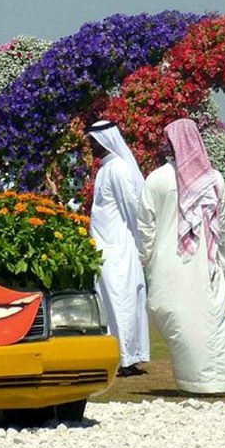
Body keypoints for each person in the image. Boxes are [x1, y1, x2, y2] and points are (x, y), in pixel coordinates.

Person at [138, 118, 225, 395]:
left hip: (174, 264)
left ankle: (213, 382)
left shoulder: (157, 179)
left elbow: (145, 227)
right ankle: (206, 380)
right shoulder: (214, 180)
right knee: (200, 319)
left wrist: (144, 256)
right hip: (198, 264)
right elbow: (224, 228)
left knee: (195, 319)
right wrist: (224, 259)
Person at [87, 120, 150, 378]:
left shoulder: (118, 169)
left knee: (122, 300)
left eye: (92, 141)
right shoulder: (105, 169)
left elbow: (133, 209)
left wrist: (141, 244)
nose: (90, 147)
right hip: (106, 247)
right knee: (110, 301)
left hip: (120, 247)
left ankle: (127, 358)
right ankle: (118, 355)